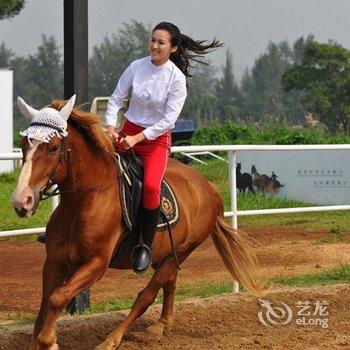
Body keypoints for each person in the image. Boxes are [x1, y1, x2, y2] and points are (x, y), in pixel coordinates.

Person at [105, 21, 222, 273]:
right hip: (126, 132)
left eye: (161, 42)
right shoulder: (136, 66)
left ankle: (144, 247)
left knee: (149, 188)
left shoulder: (176, 79)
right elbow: (116, 99)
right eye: (153, 40)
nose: (154, 45)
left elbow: (168, 121)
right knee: (92, 167)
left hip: (155, 142)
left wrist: (138, 139)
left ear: (173, 48)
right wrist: (110, 126)